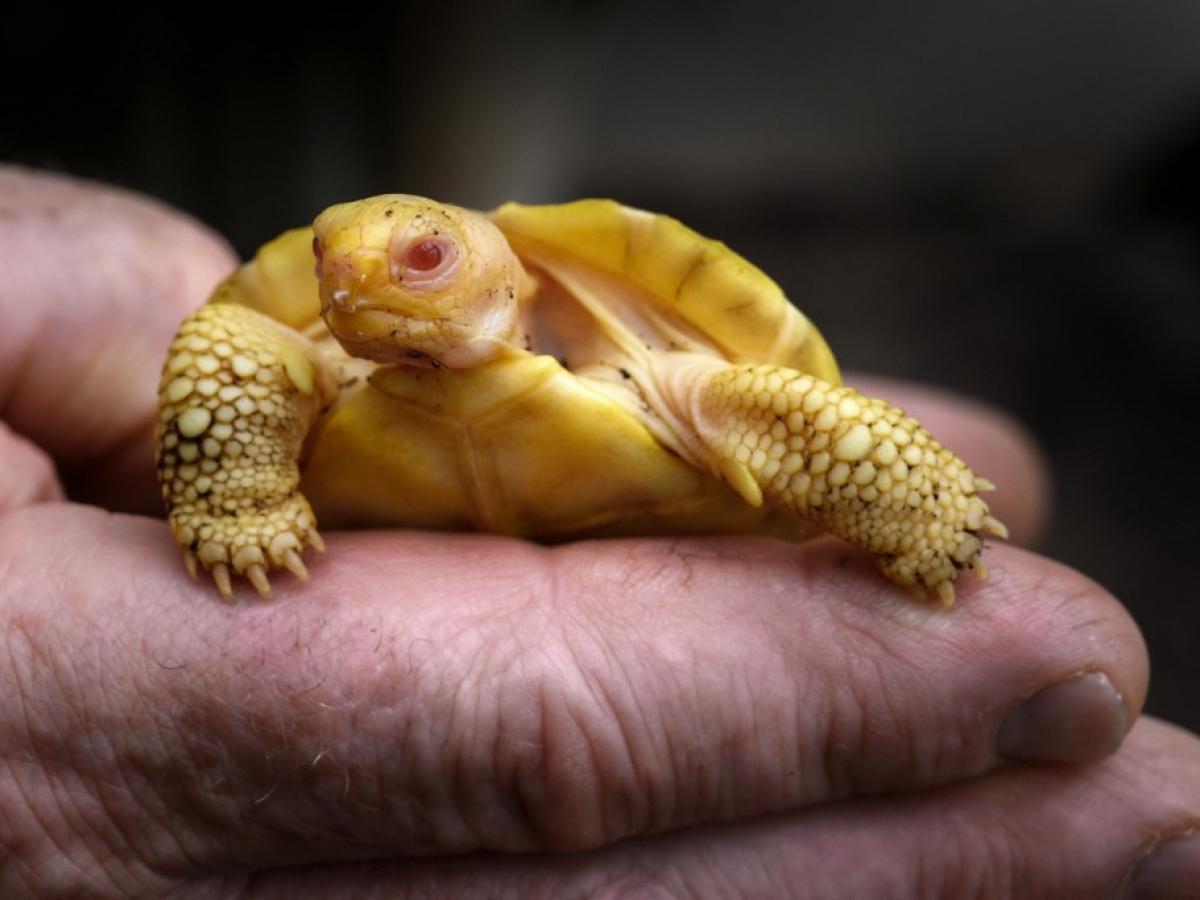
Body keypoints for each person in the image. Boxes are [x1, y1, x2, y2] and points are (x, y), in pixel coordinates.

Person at [0, 165, 1195, 897]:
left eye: (420, 256)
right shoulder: (297, 366)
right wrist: (235, 497)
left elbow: (787, 404)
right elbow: (238, 347)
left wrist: (912, 509)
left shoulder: (677, 377)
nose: (362, 282)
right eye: (335, 264)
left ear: (498, 272)